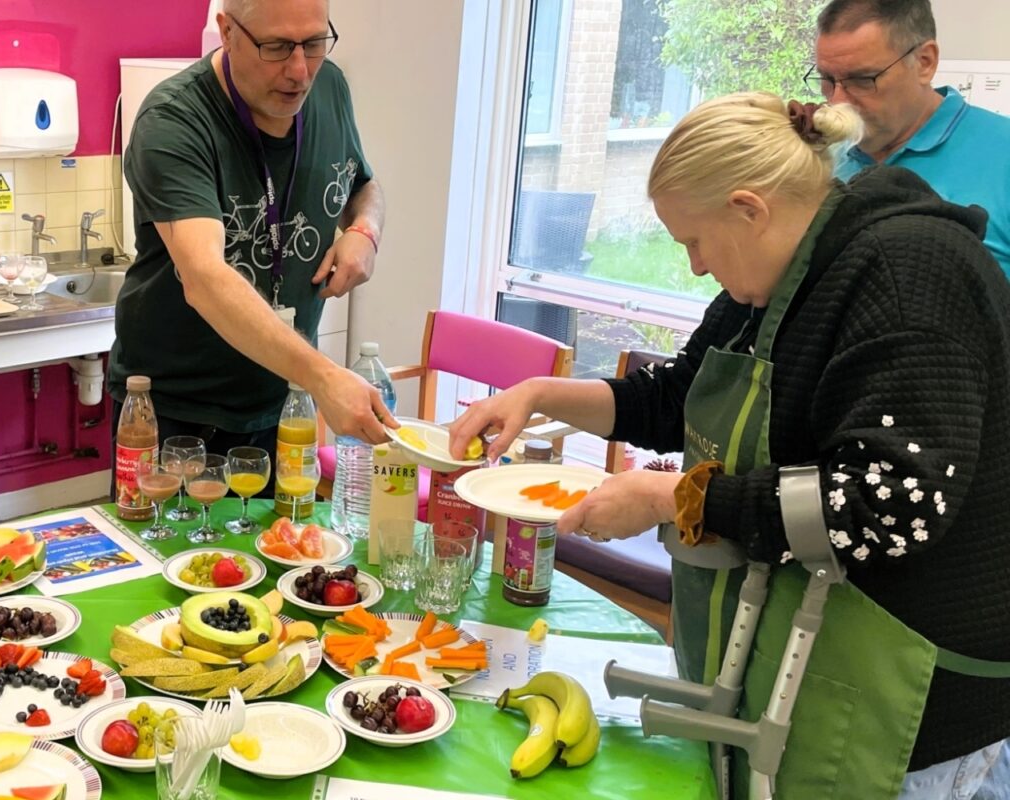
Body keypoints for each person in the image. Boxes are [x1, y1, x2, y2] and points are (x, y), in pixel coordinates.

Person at [450, 95, 1010, 798]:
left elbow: (887, 502)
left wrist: (678, 498)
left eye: (693, 241)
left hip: (908, 704)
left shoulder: (908, 278)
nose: (692, 267)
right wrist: (538, 395)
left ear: (749, 209)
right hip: (798, 655)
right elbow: (674, 397)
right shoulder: (776, 282)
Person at [111, 0, 393, 462]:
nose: (300, 71)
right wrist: (323, 376)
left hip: (284, 404)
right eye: (277, 47)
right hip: (178, 415)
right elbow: (204, 278)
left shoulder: (330, 87)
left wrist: (366, 231)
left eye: (315, 43)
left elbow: (363, 184)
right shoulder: (174, 120)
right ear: (226, 31)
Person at [812, 0, 1010, 274]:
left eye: (863, 79)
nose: (837, 102)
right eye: (827, 79)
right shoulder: (822, 159)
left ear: (924, 62)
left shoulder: (1003, 155)